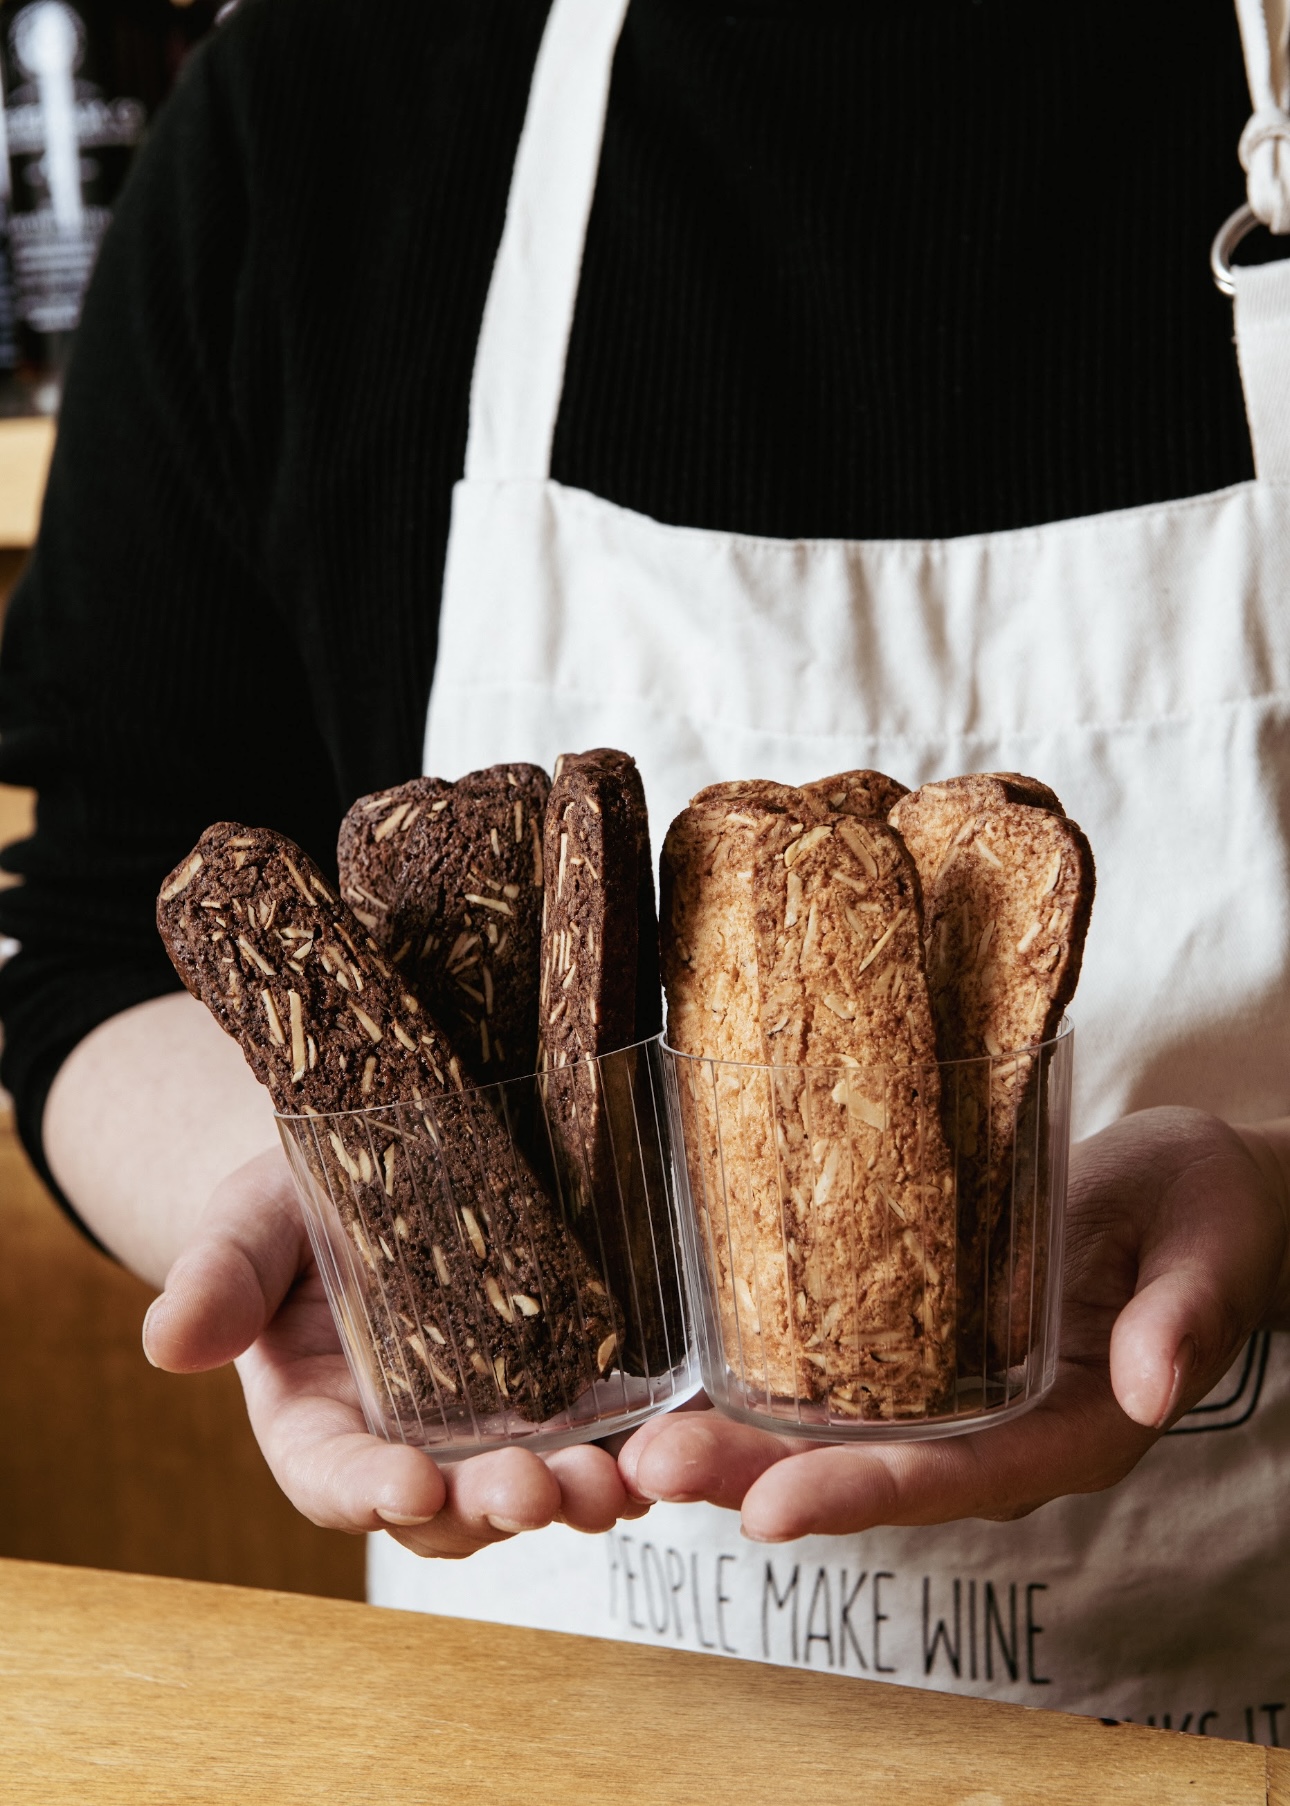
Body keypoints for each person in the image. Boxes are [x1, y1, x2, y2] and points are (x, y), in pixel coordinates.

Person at [1, 0, 1288, 1734]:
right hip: (545, 1702)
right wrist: (386, 1215)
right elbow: (93, 929)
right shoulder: (321, 107)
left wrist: (1280, 1203)